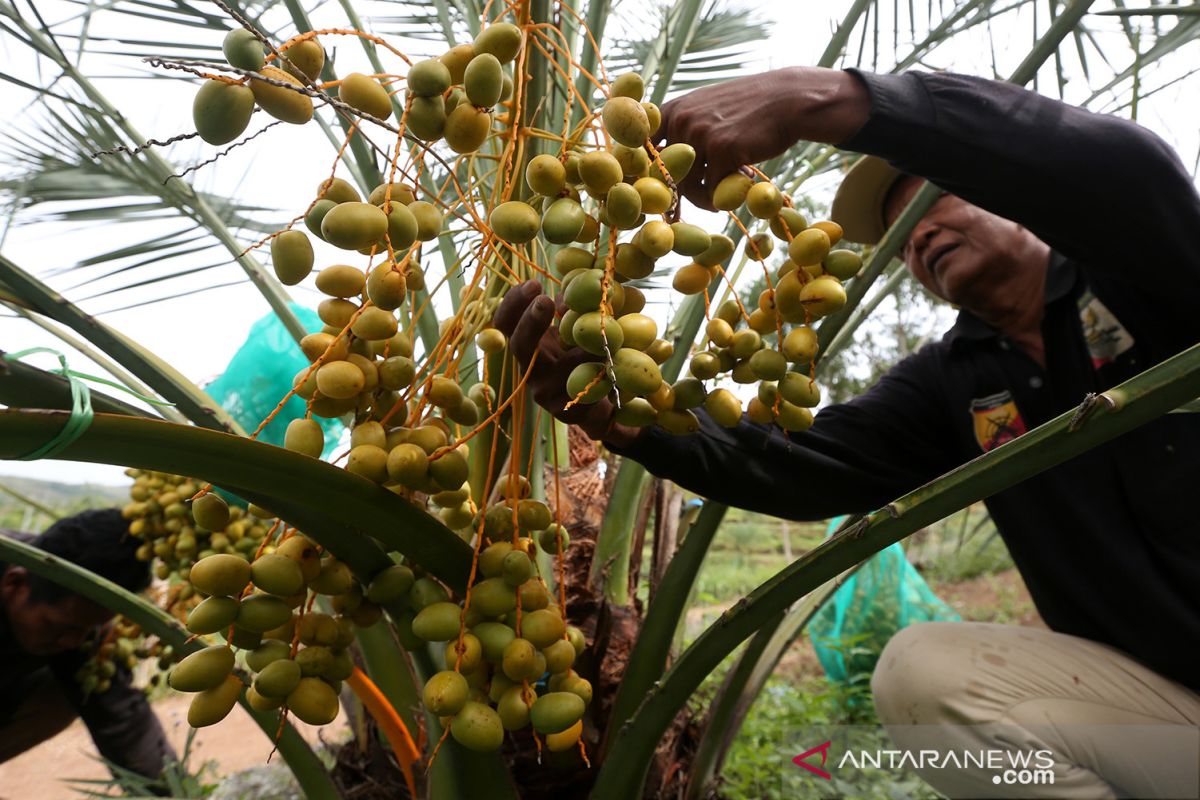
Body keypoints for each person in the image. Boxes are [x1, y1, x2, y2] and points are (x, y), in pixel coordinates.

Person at [495, 66, 1200, 797]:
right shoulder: (952, 383)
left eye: (933, 199)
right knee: (924, 676)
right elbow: (800, 463)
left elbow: (1128, 175)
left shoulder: (1143, 271)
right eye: (901, 237)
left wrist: (828, 100)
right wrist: (628, 421)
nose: (920, 234)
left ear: (1010, 197)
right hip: (1166, 712)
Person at [1, 508, 174, 780]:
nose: (73, 641)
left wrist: (176, 790)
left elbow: (121, 718)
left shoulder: (82, 619)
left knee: (68, 694)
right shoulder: (35, 572)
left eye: (86, 630)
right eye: (59, 626)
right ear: (15, 584)